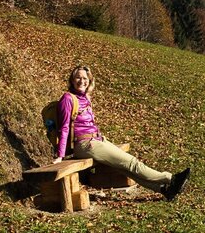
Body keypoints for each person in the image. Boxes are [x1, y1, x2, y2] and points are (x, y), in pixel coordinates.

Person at [52, 65, 189, 201]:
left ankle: (165, 190)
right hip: (85, 144)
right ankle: (171, 178)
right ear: (71, 80)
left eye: (85, 78)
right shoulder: (68, 99)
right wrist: (60, 156)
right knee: (132, 163)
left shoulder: (85, 97)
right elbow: (64, 128)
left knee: (124, 168)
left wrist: (89, 75)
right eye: (78, 78)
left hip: (97, 140)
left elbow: (91, 85)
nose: (82, 81)